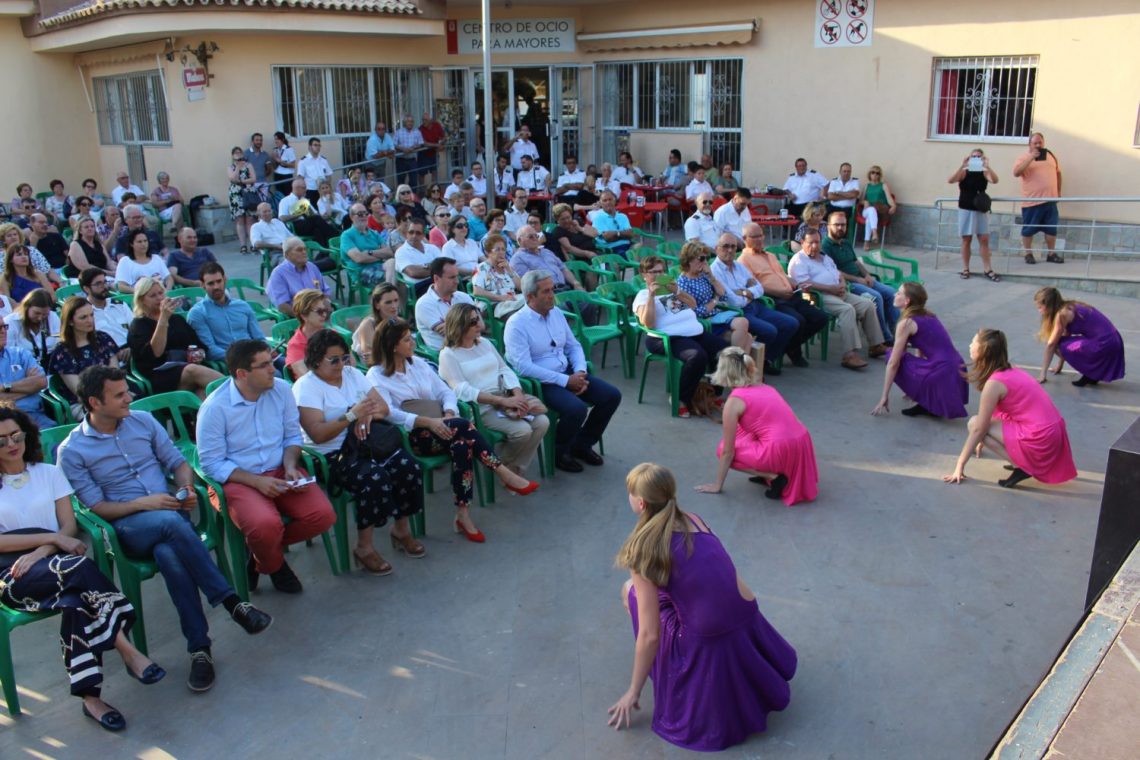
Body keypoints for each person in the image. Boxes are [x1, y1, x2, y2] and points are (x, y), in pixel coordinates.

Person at [59, 366, 273, 693]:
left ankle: (200, 650)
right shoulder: (72, 450)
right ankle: (231, 601)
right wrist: (147, 504)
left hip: (171, 518)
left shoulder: (142, 421)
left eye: (128, 390)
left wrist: (185, 490)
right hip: (128, 526)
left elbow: (179, 464)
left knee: (170, 554)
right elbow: (98, 508)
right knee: (170, 526)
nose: (130, 398)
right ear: (94, 402)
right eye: (119, 395)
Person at [608, 462, 796, 750]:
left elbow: (650, 633)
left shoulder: (643, 549)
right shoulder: (695, 519)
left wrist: (634, 691)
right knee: (663, 591)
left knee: (629, 591)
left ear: (641, 501)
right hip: (745, 616)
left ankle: (662, 664)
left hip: (706, 637)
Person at [0, 407, 160, 732]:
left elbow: (69, 525)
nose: (11, 444)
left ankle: (91, 699)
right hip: (13, 575)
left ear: (26, 434)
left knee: (75, 602)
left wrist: (43, 549)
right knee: (78, 568)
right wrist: (50, 542)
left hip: (56, 564)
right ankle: (127, 649)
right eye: (1, 440)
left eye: (15, 435)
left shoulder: (47, 472)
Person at [367, 319, 539, 542]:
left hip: (444, 425)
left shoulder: (417, 364)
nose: (413, 342)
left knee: (462, 445)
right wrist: (427, 422)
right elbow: (389, 412)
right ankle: (503, 473)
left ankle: (463, 514)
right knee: (464, 429)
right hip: (413, 435)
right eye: (407, 339)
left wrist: (448, 413)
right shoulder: (376, 375)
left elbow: (446, 392)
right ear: (392, 346)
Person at [197, 339, 336, 594]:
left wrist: (291, 464)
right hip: (239, 479)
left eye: (271, 362)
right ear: (242, 374)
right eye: (263, 366)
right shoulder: (214, 409)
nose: (273, 369)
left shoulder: (281, 390)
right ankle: (276, 565)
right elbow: (211, 464)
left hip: (281, 468)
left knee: (323, 516)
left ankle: (260, 557)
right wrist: (257, 481)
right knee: (264, 526)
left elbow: (292, 436)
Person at [294, 329, 424, 574]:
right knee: (374, 479)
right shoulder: (306, 387)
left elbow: (383, 408)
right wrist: (352, 415)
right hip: (332, 455)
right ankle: (364, 547)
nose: (341, 365)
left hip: (366, 444)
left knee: (408, 467)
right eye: (333, 360)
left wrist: (365, 416)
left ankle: (401, 529)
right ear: (315, 361)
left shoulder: (353, 374)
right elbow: (318, 434)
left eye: (344, 357)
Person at [504, 270, 621, 472]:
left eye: (553, 289)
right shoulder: (516, 324)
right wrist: (565, 381)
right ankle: (559, 452)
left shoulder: (556, 313)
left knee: (611, 395)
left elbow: (573, 346)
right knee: (576, 409)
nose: (553, 295)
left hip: (568, 371)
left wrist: (580, 372)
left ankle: (581, 444)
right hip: (543, 382)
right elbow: (523, 366)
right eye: (546, 291)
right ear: (530, 296)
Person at [943, 329, 1077, 489]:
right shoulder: (1012, 369)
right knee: (981, 427)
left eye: (973, 342)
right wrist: (982, 437)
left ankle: (1023, 466)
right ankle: (1021, 462)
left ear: (983, 351)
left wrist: (959, 466)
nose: (970, 345)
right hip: (1053, 431)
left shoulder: (994, 383)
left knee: (974, 423)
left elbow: (979, 428)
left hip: (1041, 436)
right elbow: (1002, 412)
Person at [696, 348, 819, 504]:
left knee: (722, 450)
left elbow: (728, 452)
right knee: (744, 430)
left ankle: (774, 477)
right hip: (801, 442)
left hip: (780, 448)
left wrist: (717, 485)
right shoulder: (765, 387)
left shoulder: (734, 402)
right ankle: (766, 471)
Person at [438, 303, 549, 474]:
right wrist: (502, 401)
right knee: (523, 431)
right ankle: (506, 469)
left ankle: (511, 466)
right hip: (480, 408)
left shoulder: (484, 343)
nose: (479, 325)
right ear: (459, 326)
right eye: (472, 322)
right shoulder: (448, 354)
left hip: (504, 398)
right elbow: (461, 389)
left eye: (478, 319)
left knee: (542, 422)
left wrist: (518, 395)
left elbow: (504, 369)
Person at [634, 256, 729, 419]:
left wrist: (677, 291)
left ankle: (714, 393)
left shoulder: (670, 294)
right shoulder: (642, 295)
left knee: (724, 351)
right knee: (698, 356)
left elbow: (692, 305)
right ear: (644, 275)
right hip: (666, 338)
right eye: (654, 272)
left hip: (693, 333)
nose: (659, 275)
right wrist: (651, 296)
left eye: (661, 271)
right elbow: (648, 323)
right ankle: (680, 398)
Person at [787, 229, 886, 370]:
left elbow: (838, 273)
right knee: (847, 310)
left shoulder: (824, 257)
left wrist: (842, 285)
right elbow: (804, 284)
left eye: (817, 242)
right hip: (819, 296)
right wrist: (829, 289)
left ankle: (876, 345)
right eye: (811, 242)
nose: (815, 246)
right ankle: (849, 355)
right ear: (802, 242)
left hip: (838, 292)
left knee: (868, 304)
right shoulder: (798, 261)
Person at [870, 283, 968, 419]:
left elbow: (893, 362)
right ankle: (926, 400)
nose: (894, 295)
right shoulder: (929, 315)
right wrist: (915, 386)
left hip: (943, 371)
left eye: (898, 293)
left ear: (907, 301)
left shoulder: (906, 323)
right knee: (906, 359)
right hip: (957, 366)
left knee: (890, 354)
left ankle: (927, 402)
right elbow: (922, 347)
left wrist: (884, 396)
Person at [710, 233, 800, 374]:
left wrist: (744, 292)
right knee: (770, 331)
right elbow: (733, 300)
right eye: (725, 246)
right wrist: (749, 290)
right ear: (716, 248)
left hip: (755, 306)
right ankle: (751, 366)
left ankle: (764, 360)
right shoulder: (715, 271)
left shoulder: (739, 266)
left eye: (733, 246)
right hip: (738, 312)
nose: (729, 250)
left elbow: (760, 288)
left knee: (791, 323)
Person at [127, 277, 221, 397]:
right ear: (142, 300)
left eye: (161, 293)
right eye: (153, 295)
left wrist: (198, 354)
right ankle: (238, 389)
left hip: (186, 370)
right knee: (192, 370)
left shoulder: (177, 319)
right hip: (160, 377)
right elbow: (155, 352)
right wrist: (163, 319)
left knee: (203, 393)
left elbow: (200, 346)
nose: (159, 298)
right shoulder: (139, 325)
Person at [822, 211, 898, 341]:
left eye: (843, 225)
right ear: (828, 226)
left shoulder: (845, 242)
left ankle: (898, 333)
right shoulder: (825, 246)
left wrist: (867, 275)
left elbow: (856, 261)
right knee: (877, 297)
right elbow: (834, 272)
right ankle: (884, 338)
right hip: (849, 283)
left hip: (861, 279)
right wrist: (859, 279)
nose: (840, 228)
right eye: (837, 225)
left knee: (891, 293)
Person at [1034, 287, 1125, 387]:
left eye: (1040, 307)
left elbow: (1051, 344)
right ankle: (1092, 375)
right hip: (1114, 341)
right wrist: (1059, 366)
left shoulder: (1062, 314)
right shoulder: (1069, 306)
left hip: (1105, 345)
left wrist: (1042, 374)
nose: (1039, 311)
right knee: (1062, 342)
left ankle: (1090, 373)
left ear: (1048, 305)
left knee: (1056, 345)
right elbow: (1065, 336)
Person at [48, 296, 122, 417]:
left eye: (91, 315)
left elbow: (115, 373)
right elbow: (79, 390)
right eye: (83, 317)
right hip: (84, 403)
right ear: (70, 321)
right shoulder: (62, 351)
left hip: (113, 395)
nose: (90, 320)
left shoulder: (103, 338)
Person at [674, 242, 753, 352]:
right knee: (742, 323)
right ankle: (735, 364)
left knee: (748, 337)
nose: (705, 262)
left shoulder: (703, 276)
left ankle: (736, 367)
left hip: (716, 316)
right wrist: (715, 300)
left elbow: (723, 295)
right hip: (704, 321)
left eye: (706, 258)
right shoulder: (683, 282)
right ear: (689, 259)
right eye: (701, 258)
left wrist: (711, 276)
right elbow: (696, 312)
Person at [187, 262, 267, 363]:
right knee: (275, 373)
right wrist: (243, 358)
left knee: (287, 364)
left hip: (256, 355)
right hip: (233, 361)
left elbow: (259, 338)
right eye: (211, 283)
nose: (216, 286)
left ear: (225, 280)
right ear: (202, 285)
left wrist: (266, 351)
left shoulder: (242, 306)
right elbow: (210, 350)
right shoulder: (197, 313)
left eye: (219, 281)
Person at [948, 149, 1000, 281]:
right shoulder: (965, 171)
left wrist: (987, 166)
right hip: (966, 208)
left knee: (984, 239)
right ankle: (965, 268)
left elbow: (995, 180)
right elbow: (951, 180)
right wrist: (962, 165)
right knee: (966, 239)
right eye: (974, 156)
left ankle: (987, 269)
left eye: (979, 157)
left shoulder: (984, 171)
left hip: (980, 209)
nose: (976, 158)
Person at [1013, 132, 1063, 264]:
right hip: (1032, 202)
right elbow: (1016, 172)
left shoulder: (1051, 156)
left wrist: (1058, 191)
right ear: (1029, 144)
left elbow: (1058, 173)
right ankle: (1028, 254)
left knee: (1051, 229)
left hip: (1050, 201)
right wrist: (1031, 158)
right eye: (1035, 143)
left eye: (1040, 142)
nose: (1038, 145)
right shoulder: (1023, 158)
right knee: (1028, 229)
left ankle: (1051, 254)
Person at [0, 314, 53, 429]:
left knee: (57, 442)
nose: (3, 331)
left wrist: (5, 387)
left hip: (33, 416)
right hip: (2, 422)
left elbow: (41, 382)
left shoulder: (20, 354)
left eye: (5, 327)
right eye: (0, 328)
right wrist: (29, 389)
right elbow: (35, 385)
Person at [415, 257, 475, 352]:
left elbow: (481, 325)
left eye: (457, 276)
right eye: (452, 277)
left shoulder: (464, 297)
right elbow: (451, 334)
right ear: (436, 278)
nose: (457, 281)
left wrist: (453, 324)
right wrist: (470, 322)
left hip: (470, 347)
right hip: (447, 354)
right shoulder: (424, 304)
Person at [266, 236, 330, 316]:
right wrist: (305, 318)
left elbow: (325, 291)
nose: (304, 252)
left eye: (305, 249)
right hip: (298, 317)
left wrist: (327, 306)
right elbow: (282, 306)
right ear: (287, 255)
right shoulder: (278, 274)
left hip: (319, 313)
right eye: (299, 250)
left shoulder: (312, 267)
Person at [509, 227, 585, 291]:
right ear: (520, 240)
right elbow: (528, 284)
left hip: (566, 288)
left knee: (591, 304)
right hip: (547, 294)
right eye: (531, 237)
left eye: (536, 236)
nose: (535, 239)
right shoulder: (518, 259)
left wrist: (575, 283)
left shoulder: (546, 251)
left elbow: (563, 268)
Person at [80, 268, 134, 356]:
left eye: (105, 282)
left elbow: (134, 328)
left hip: (132, 349)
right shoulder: (84, 313)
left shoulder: (120, 305)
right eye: (98, 284)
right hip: (107, 355)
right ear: (86, 289)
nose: (104, 286)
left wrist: (132, 348)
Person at [340, 203, 394, 289]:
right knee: (395, 278)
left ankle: (389, 295)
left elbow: (389, 252)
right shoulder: (346, 235)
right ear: (351, 217)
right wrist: (381, 256)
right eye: (360, 214)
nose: (364, 216)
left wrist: (369, 252)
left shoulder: (374, 233)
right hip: (361, 273)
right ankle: (388, 294)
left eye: (366, 213)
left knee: (392, 263)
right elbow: (359, 258)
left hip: (380, 267)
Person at [472, 233, 525, 320]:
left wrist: (508, 269)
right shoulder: (481, 268)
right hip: (492, 305)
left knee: (533, 306)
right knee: (517, 317)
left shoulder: (507, 267)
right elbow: (477, 291)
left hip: (512, 302)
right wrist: (501, 298)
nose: (501, 252)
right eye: (497, 249)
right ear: (488, 252)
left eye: (503, 249)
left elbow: (521, 287)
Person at [278, 178, 339, 251]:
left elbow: (315, 214)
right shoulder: (285, 201)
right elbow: (282, 218)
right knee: (316, 220)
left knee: (317, 230)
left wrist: (324, 216)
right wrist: (299, 214)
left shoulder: (304, 200)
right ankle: (336, 236)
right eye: (304, 188)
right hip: (296, 225)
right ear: (296, 188)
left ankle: (325, 251)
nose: (306, 190)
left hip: (309, 223)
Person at [284, 288, 333, 380]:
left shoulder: (333, 334)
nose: (324, 315)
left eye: (325, 310)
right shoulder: (296, 345)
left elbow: (351, 364)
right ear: (304, 315)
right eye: (319, 311)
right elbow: (307, 376)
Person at [4, 288, 60, 366]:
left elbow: (60, 343)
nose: (40, 318)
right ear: (26, 307)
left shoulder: (52, 317)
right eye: (37, 313)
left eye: (45, 314)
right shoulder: (10, 322)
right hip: (23, 365)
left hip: (51, 362)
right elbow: (9, 354)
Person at [352, 282, 401, 364]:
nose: (394, 306)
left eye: (396, 300)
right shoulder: (368, 324)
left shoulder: (397, 321)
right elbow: (373, 359)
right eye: (388, 302)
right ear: (377, 305)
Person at [394, 218, 442, 299]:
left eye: (418, 233)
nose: (414, 236)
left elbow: (444, 266)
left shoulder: (432, 248)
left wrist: (425, 267)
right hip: (418, 287)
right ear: (406, 233)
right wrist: (435, 267)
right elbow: (414, 273)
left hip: (438, 281)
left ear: (423, 235)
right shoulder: (401, 252)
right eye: (411, 232)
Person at [115, 228, 172, 293]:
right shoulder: (125, 261)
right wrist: (142, 293)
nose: (143, 244)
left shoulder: (157, 258)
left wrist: (167, 291)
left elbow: (168, 278)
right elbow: (121, 287)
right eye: (139, 242)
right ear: (131, 244)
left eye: (145, 241)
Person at [858, 165, 898, 251]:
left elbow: (889, 198)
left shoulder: (883, 186)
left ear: (880, 175)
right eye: (873, 172)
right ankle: (875, 233)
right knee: (871, 211)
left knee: (870, 215)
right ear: (869, 174)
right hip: (866, 210)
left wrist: (894, 206)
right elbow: (860, 200)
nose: (875, 175)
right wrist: (864, 202)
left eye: (877, 173)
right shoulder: (866, 186)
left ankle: (867, 242)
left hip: (879, 212)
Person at [591, 191, 637, 258]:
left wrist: (616, 234)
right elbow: (607, 238)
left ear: (615, 201)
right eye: (605, 200)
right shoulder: (598, 218)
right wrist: (624, 235)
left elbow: (630, 234)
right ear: (600, 203)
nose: (608, 202)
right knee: (634, 256)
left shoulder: (623, 216)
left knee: (641, 249)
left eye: (610, 199)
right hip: (611, 250)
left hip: (628, 246)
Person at [296, 138, 333, 204]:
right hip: (311, 191)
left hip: (323, 191)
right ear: (309, 147)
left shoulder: (323, 160)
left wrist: (327, 188)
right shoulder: (303, 161)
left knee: (326, 210)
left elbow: (329, 175)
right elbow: (300, 179)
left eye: (319, 145)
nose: (318, 147)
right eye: (315, 145)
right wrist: (302, 193)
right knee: (314, 212)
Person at [394, 115, 425, 186]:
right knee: (401, 182)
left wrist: (413, 148)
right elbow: (394, 145)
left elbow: (421, 143)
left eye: (411, 121)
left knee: (414, 181)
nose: (410, 123)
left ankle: (413, 196)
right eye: (408, 121)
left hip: (412, 160)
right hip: (401, 160)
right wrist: (403, 149)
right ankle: (401, 196)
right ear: (404, 122)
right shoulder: (399, 132)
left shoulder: (417, 132)